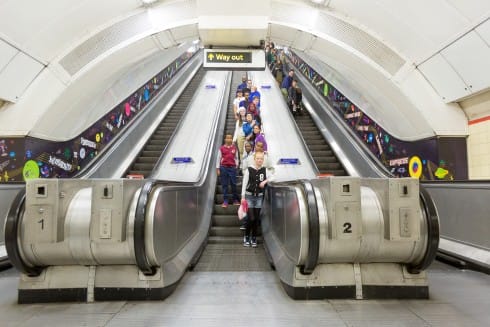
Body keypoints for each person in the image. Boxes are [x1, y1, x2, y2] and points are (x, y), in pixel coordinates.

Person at [241, 151, 271, 247]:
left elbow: (273, 177)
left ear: (263, 160)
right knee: (251, 218)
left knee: (256, 219)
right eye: (258, 158)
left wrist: (265, 181)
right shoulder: (249, 170)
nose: (259, 160)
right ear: (254, 159)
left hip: (259, 197)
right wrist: (242, 197)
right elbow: (244, 184)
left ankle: (253, 237)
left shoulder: (265, 170)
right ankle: (246, 236)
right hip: (249, 196)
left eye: (261, 159)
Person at [216, 134, 240, 208]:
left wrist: (236, 165)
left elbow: (236, 158)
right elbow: (218, 158)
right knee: (224, 184)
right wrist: (217, 168)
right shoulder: (221, 148)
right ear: (225, 139)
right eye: (227, 138)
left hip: (232, 168)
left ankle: (235, 200)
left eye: (230, 138)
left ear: (232, 139)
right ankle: (225, 200)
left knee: (233, 184)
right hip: (224, 168)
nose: (229, 139)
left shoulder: (234, 148)